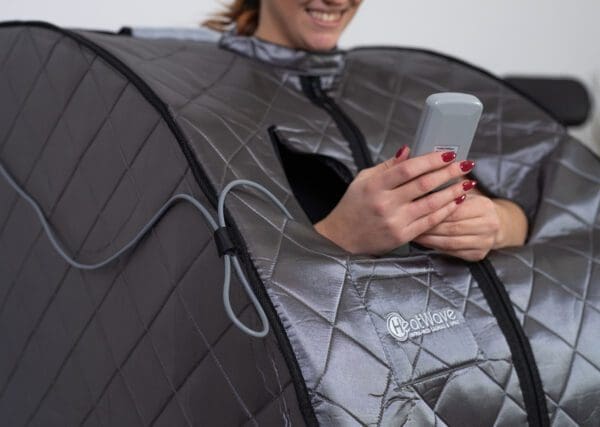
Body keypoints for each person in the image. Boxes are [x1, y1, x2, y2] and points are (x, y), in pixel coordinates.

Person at [205, 0, 528, 260]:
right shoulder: (202, 99)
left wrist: (496, 224)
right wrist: (339, 236)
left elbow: (533, 216)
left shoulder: (398, 88)